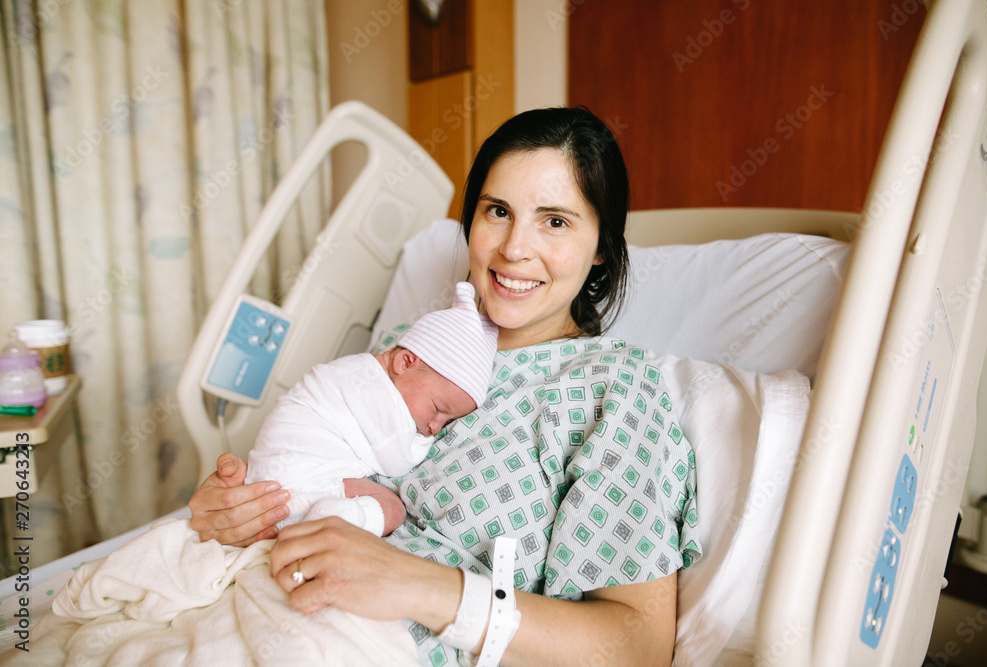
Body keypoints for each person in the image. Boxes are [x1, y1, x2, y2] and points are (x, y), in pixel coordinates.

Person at [189, 106, 701, 666]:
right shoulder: (413, 345)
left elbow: (637, 646)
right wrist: (240, 511)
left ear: (602, 245)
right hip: (255, 601)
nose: (513, 248)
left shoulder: (614, 393)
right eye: (498, 211)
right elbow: (315, 470)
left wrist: (420, 586)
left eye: (555, 221)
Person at [244, 281, 498, 538]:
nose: (435, 427)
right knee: (393, 508)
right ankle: (332, 522)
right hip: (292, 490)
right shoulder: (378, 392)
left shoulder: (358, 370)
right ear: (406, 361)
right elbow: (398, 462)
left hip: (263, 488)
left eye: (446, 421)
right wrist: (423, 443)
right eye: (437, 409)